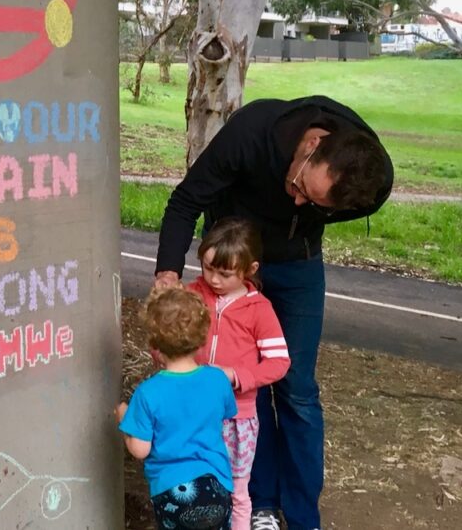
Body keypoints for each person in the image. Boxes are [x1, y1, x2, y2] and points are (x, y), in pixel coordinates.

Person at [154, 96, 394, 530]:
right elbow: (185, 201)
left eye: (317, 203)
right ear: (310, 145)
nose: (300, 202)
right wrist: (168, 275)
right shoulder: (252, 132)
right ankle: (259, 501)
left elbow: (335, 205)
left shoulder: (373, 179)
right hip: (234, 263)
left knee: (297, 389)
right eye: (302, 187)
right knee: (246, 386)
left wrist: (308, 219)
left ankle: (303, 515)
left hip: (298, 264)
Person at [188, 218, 291, 530]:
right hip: (192, 411)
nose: (214, 279)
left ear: (250, 269)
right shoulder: (192, 295)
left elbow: (278, 362)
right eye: (208, 269)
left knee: (236, 488)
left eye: (225, 273)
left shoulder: (259, 310)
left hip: (237, 416)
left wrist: (237, 376)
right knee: (193, 484)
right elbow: (167, 336)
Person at [117, 286, 237, 530]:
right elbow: (223, 415)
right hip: (218, 484)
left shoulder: (148, 393)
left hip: (172, 491)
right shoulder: (218, 379)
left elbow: (140, 450)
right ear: (202, 338)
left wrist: (124, 420)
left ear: (155, 345)